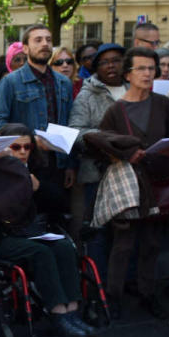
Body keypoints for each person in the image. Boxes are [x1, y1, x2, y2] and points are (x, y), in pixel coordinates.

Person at [88, 47, 169, 319]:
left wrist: (167, 151)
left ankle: (147, 294)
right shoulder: (116, 110)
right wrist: (126, 153)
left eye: (152, 68)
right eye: (142, 68)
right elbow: (99, 147)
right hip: (129, 186)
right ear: (128, 74)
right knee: (123, 243)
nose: (149, 73)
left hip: (157, 182)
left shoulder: (163, 104)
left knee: (152, 243)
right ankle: (113, 298)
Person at [0, 124, 92, 337]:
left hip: (35, 230)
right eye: (16, 147)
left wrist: (39, 188)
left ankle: (72, 310)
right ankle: (58, 313)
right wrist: (18, 185)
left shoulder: (38, 167)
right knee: (41, 253)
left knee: (64, 247)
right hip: (5, 235)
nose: (22, 152)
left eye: (27, 147)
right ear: (4, 147)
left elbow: (61, 202)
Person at [0, 24, 75, 215]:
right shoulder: (11, 82)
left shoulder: (64, 83)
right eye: (38, 40)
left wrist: (70, 165)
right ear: (26, 48)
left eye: (48, 40)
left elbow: (70, 124)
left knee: (57, 219)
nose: (44, 44)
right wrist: (28, 139)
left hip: (57, 165)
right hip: (26, 163)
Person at [69, 43, 127, 262]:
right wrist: (108, 137)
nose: (111, 66)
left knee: (127, 230)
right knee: (99, 230)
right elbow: (75, 131)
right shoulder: (87, 95)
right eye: (104, 62)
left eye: (116, 60)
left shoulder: (135, 89)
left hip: (132, 170)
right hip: (97, 173)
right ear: (96, 68)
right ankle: (97, 285)